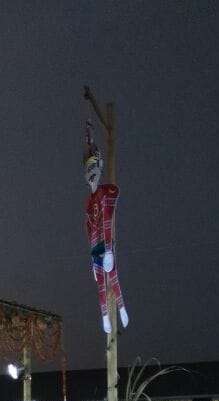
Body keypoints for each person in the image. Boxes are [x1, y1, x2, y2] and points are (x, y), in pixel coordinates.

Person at [83, 121, 129, 333]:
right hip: (95, 248)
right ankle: (105, 317)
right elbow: (88, 227)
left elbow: (108, 217)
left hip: (105, 243)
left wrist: (109, 249)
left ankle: (121, 309)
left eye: (94, 166)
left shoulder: (105, 193)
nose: (91, 172)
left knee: (113, 277)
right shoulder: (89, 201)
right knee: (101, 285)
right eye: (88, 168)